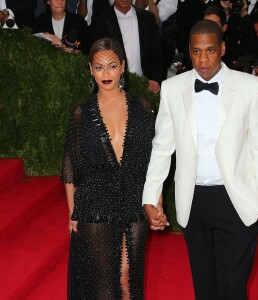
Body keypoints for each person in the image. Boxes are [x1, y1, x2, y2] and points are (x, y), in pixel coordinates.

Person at [143, 19, 258, 300]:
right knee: (205, 288)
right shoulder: (171, 88)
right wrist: (151, 195)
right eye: (196, 52)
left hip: (236, 200)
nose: (203, 59)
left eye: (211, 50)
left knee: (231, 286)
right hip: (194, 201)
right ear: (188, 52)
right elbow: (162, 147)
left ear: (223, 48)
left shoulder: (250, 88)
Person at [61, 38, 157, 299]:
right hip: (95, 204)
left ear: (123, 67)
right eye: (99, 67)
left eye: (112, 66)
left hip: (133, 202)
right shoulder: (82, 112)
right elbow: (70, 162)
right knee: (104, 287)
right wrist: (73, 210)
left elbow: (152, 160)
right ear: (90, 69)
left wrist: (155, 199)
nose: (106, 74)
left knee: (128, 281)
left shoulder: (143, 108)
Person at [91, 0, 163, 93]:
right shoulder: (101, 21)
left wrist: (155, 80)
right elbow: (95, 58)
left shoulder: (148, 18)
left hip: (145, 87)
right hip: (112, 89)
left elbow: (157, 54)